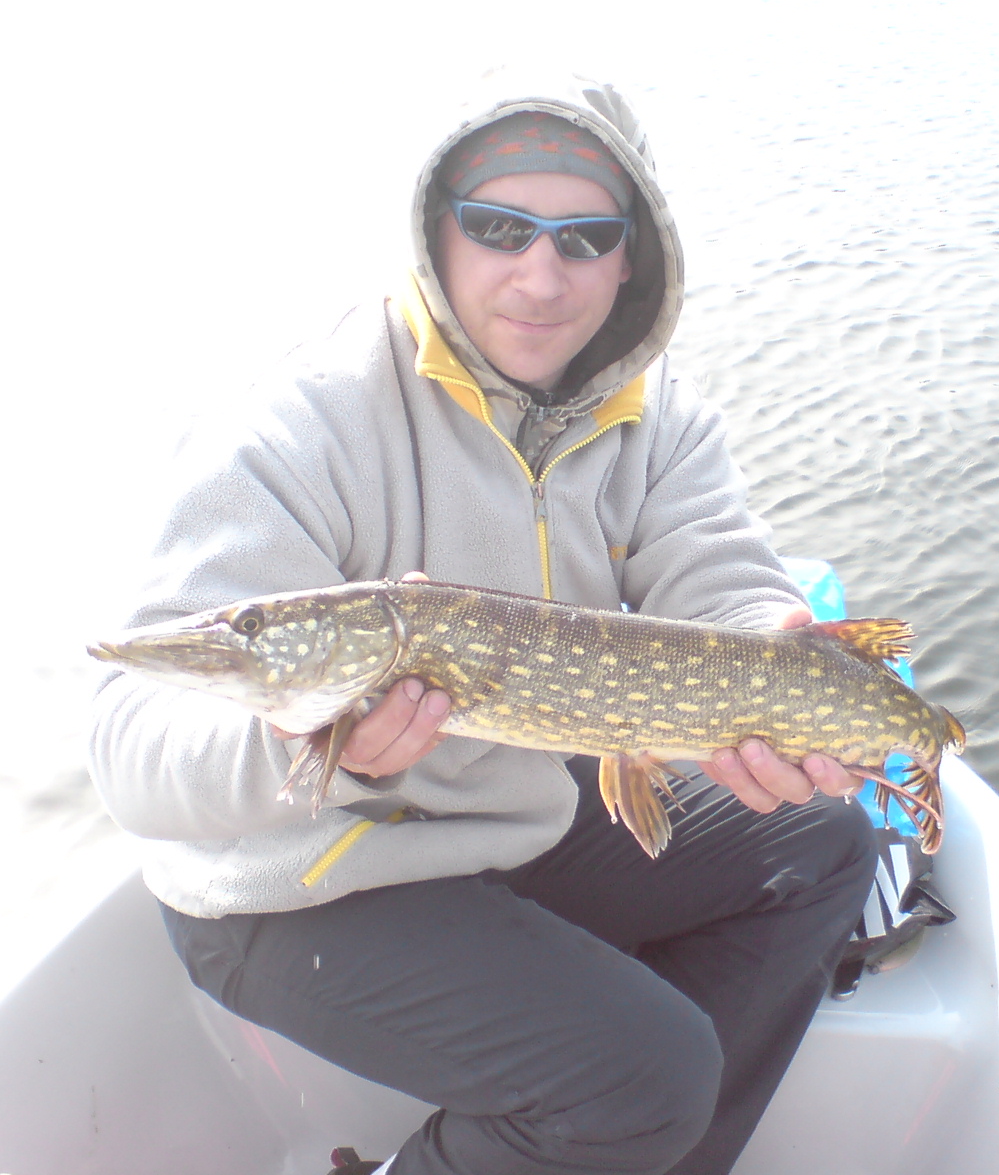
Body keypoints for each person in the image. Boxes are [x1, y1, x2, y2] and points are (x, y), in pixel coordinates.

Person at [89, 70, 878, 1175]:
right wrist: (305, 744)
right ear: (436, 231)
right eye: (500, 227)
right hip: (293, 881)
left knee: (823, 841)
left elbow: (719, 578)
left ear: (632, 257)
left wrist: (775, 650)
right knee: (645, 1073)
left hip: (504, 820)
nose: (540, 276)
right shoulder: (294, 425)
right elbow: (129, 747)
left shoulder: (657, 415)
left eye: (586, 237)